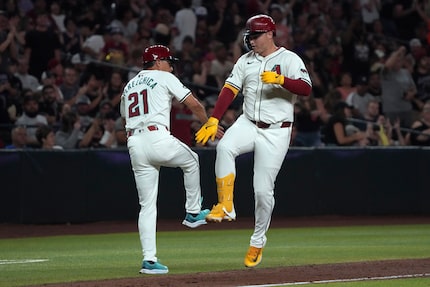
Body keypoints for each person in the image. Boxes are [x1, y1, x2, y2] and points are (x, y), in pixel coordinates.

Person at [195, 15, 312, 268]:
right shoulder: (245, 60)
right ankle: (226, 205)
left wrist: (282, 80)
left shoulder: (289, 59)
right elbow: (229, 89)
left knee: (262, 192)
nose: (251, 40)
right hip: (248, 122)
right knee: (224, 147)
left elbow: (305, 88)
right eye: (249, 36)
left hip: (276, 131)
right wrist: (214, 119)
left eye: (256, 36)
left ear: (270, 33)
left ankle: (258, 240)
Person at [120, 45, 217, 275]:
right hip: (156, 137)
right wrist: (208, 123)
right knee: (192, 160)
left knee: (147, 206)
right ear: (157, 61)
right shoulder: (164, 76)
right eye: (168, 61)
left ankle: (149, 260)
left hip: (134, 142)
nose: (171, 65)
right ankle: (193, 212)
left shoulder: (129, 84)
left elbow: (124, 113)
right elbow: (194, 104)